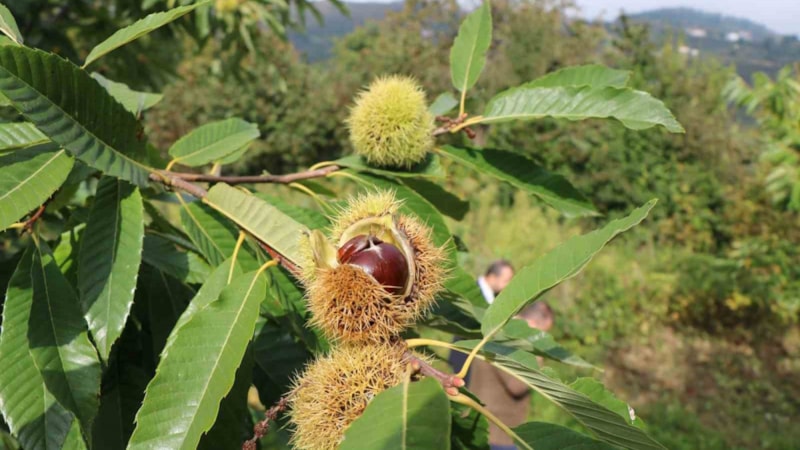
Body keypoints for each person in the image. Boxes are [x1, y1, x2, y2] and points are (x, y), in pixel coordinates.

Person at [468, 301, 555, 450]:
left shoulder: (497, 330)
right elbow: (517, 385)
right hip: (497, 431)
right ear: (533, 325)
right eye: (542, 332)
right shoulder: (510, 339)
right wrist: (537, 356)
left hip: (484, 423)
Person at [449, 260, 516, 382]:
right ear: (492, 277)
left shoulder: (494, 298)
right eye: (506, 280)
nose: (508, 285)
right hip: (464, 356)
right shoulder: (471, 293)